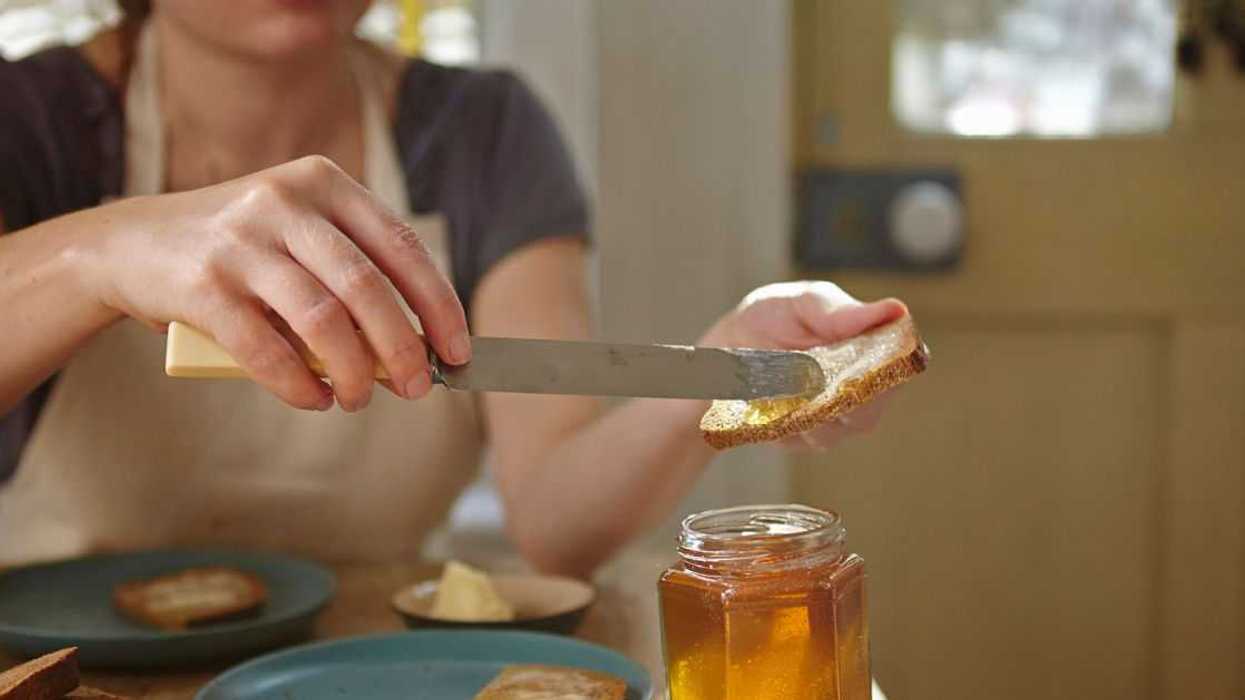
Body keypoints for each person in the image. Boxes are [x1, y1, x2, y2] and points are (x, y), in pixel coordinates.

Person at [0, 0, 907, 575]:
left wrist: (718, 374)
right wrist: (97, 254)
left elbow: (556, 523)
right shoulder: (28, 121)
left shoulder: (484, 132)